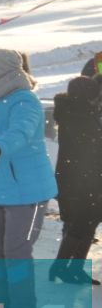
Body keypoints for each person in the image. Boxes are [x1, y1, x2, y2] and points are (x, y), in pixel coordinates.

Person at [0, 49, 57, 308]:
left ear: (1, 70)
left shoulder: (25, 101)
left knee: (15, 250)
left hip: (28, 191)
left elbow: (19, 133)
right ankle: (3, 302)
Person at [52, 76, 102, 285]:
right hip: (82, 177)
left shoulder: (74, 112)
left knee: (88, 222)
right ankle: (61, 266)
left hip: (81, 176)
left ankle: (73, 267)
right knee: (82, 222)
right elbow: (91, 147)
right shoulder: (80, 115)